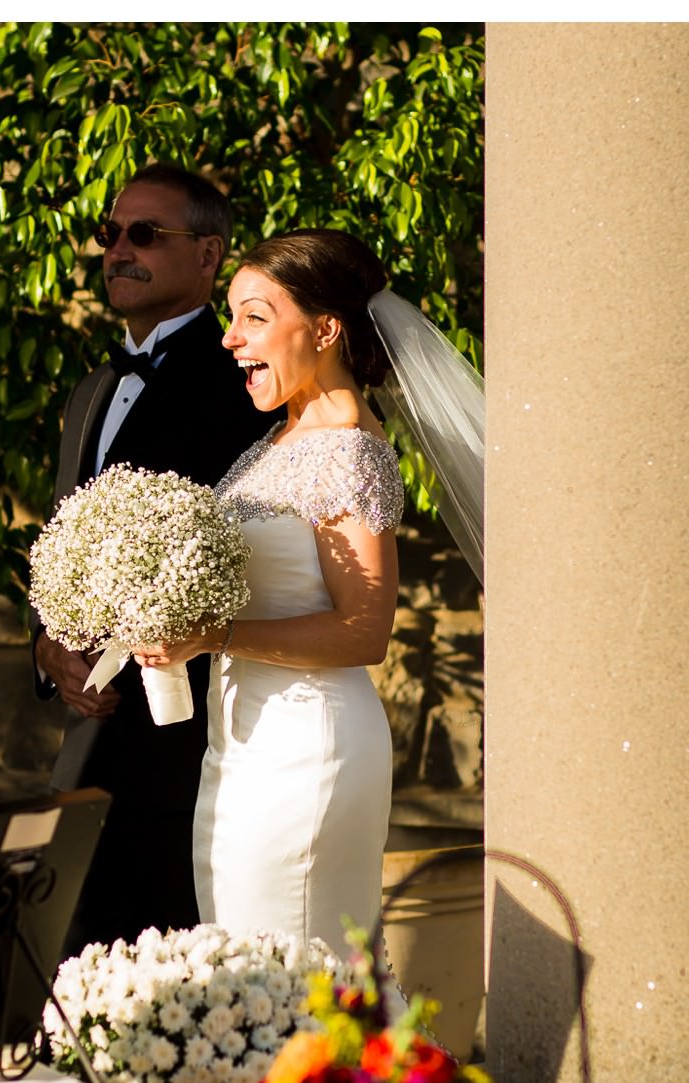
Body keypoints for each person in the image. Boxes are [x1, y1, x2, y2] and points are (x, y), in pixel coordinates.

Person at [131, 229, 405, 960]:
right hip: (240, 741)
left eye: (253, 316)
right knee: (244, 972)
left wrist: (213, 636)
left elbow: (364, 632)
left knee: (289, 976)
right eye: (231, 317)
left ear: (324, 328)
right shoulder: (274, 444)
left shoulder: (349, 450)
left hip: (306, 750)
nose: (229, 339)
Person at [35, 164, 273, 959]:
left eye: (145, 234)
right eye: (110, 234)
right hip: (87, 756)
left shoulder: (246, 388)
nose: (118, 250)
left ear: (209, 256)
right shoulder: (90, 391)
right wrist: (45, 649)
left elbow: (261, 558)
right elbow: (56, 551)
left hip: (191, 751)